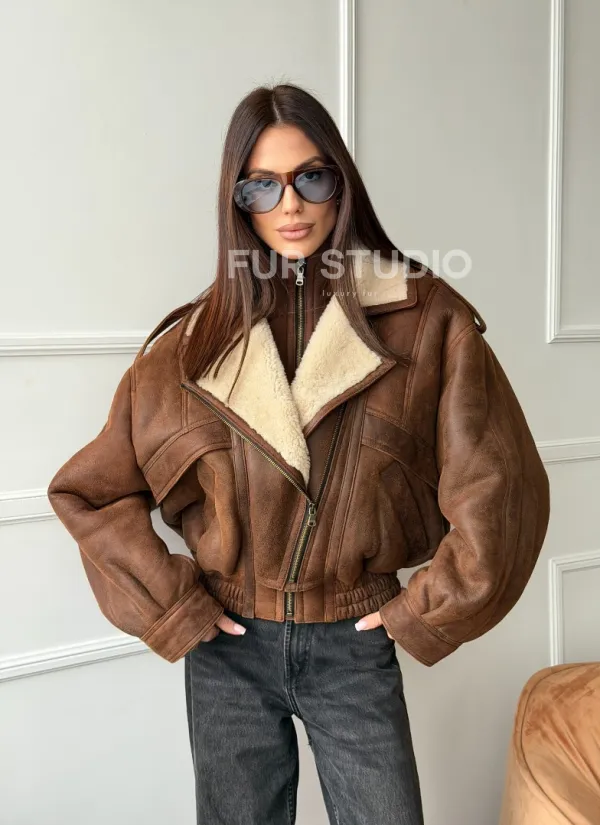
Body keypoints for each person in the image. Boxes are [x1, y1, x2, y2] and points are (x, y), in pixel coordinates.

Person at [47, 82, 551, 825]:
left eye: (311, 177)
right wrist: (173, 607)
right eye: (261, 185)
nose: (289, 205)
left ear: (341, 182)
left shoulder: (427, 321)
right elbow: (89, 492)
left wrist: (426, 610)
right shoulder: (189, 346)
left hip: (354, 639)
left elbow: (501, 487)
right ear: (237, 202)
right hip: (227, 648)